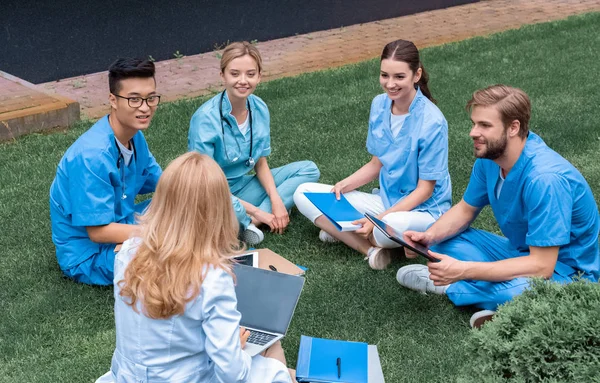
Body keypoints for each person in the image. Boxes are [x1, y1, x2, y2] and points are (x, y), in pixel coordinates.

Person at [83, 152, 345, 383]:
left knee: (269, 365)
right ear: (217, 209)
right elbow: (233, 374)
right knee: (269, 364)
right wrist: (238, 349)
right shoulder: (210, 275)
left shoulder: (128, 252)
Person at [396, 85, 600, 328]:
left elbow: (542, 266)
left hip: (567, 273)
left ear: (513, 127)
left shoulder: (545, 179)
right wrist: (427, 237)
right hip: (520, 252)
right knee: (439, 240)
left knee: (516, 290)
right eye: (474, 123)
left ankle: (452, 287)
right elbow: (465, 210)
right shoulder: (490, 160)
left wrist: (463, 271)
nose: (473, 132)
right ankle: (496, 299)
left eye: (484, 125)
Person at [293, 39, 451, 270]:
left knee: (389, 225)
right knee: (304, 193)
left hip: (423, 210)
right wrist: (344, 184)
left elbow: (425, 189)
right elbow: (377, 163)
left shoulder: (433, 122)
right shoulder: (379, 105)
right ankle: (371, 249)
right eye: (384, 75)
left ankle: (344, 230)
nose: (390, 84)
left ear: (416, 75)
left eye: (399, 77)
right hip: (387, 200)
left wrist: (378, 220)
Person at [188, 41, 320, 246]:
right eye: (235, 74)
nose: (243, 81)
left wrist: (276, 201)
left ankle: (250, 224)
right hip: (213, 194)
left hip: (242, 185)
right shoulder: (204, 119)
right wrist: (261, 211)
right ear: (222, 75)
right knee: (214, 213)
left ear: (259, 76)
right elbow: (204, 183)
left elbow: (260, 162)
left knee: (309, 170)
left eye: (250, 74)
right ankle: (251, 219)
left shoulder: (260, 108)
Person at [49, 58, 162, 285]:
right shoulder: (91, 156)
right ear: (113, 100)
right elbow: (98, 232)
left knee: (185, 207)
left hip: (125, 222)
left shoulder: (134, 137)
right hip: (90, 254)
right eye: (134, 99)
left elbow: (167, 184)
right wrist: (161, 234)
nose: (145, 107)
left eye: (151, 98)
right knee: (170, 256)